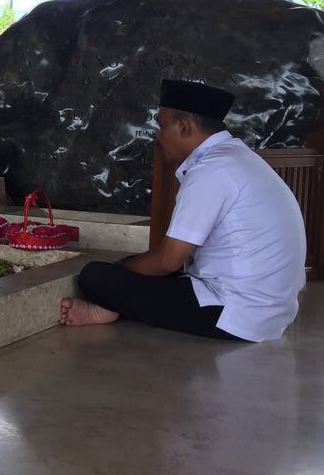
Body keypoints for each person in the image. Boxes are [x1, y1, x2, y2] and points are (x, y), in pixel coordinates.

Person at [61, 79, 307, 342]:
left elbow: (167, 261)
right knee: (141, 268)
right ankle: (113, 306)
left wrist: (120, 272)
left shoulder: (210, 171)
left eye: (161, 125)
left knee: (97, 276)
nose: (157, 135)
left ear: (184, 127)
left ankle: (113, 305)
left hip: (235, 314)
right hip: (272, 311)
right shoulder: (239, 158)